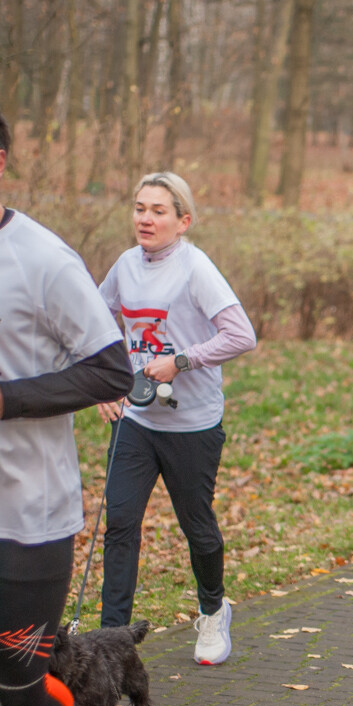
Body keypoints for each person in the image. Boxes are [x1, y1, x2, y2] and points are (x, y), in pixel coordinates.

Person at [0, 112, 134, 706]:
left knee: (16, 678)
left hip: (26, 513)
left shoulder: (41, 259)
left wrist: (7, 399)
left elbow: (112, 368)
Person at [96, 172, 257, 667]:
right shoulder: (125, 265)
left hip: (192, 425)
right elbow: (97, 324)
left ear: (183, 221)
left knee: (197, 526)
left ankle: (212, 610)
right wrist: (104, 384)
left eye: (158, 210)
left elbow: (242, 335)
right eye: (140, 207)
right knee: (120, 523)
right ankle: (111, 644)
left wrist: (181, 360)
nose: (145, 217)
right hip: (138, 423)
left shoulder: (196, 269)